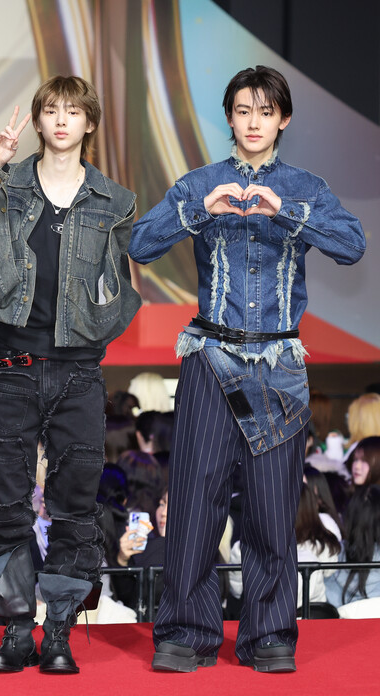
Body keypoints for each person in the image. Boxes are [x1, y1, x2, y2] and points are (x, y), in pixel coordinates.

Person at [129, 65, 366, 673]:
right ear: (230, 118)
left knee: (271, 504)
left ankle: (269, 635)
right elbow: (140, 244)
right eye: (242, 110)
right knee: (195, 500)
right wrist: (197, 211)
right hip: (211, 355)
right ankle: (186, 631)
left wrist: (286, 211)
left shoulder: (304, 186)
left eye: (265, 111)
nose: (253, 121)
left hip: (280, 365)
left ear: (283, 119)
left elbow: (352, 244)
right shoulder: (200, 182)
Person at [0, 75, 140, 674]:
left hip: (79, 371)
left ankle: (59, 634)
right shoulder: (9, 184)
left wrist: (99, 327)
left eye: (73, 111)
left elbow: (124, 285)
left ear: (89, 122)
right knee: (5, 506)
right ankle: (16, 631)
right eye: (51, 110)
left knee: (75, 508)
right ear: (39, 119)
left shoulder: (114, 200)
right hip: (10, 366)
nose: (61, 120)